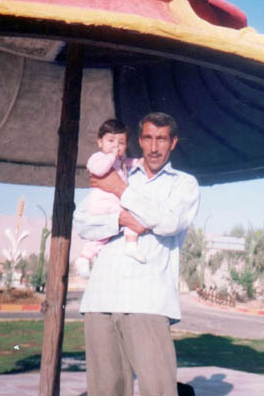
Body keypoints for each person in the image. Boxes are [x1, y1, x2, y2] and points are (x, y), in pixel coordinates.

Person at [73, 112, 200, 396]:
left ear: (173, 142)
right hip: (101, 298)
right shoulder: (118, 170)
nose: (154, 147)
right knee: (105, 391)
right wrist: (122, 219)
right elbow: (82, 222)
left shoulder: (183, 184)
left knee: (158, 390)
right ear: (139, 141)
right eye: (148, 138)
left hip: (147, 302)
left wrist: (121, 191)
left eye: (162, 139)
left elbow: (169, 222)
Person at [75, 119, 141, 279]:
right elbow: (98, 170)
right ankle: (131, 245)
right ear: (100, 142)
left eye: (121, 143)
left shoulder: (120, 160)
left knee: (103, 236)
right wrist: (111, 157)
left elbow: (127, 162)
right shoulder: (98, 157)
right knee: (132, 215)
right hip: (102, 203)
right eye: (111, 141)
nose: (116, 146)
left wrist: (138, 162)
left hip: (113, 202)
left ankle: (85, 257)